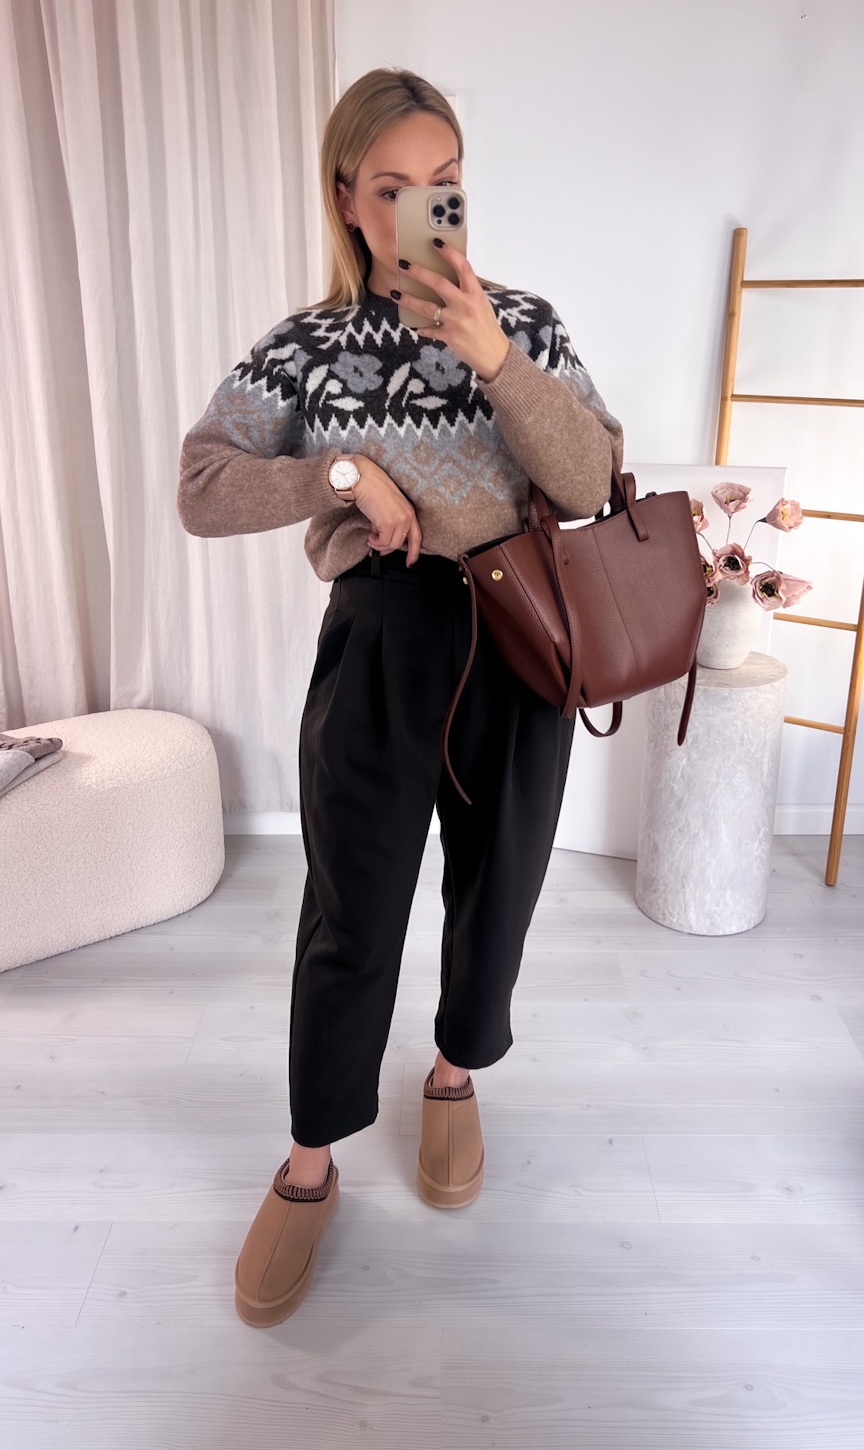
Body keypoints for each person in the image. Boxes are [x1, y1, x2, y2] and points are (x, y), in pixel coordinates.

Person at [176, 67, 624, 1326]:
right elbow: (202, 485)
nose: (424, 209)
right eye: (392, 188)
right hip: (382, 638)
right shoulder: (306, 347)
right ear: (347, 200)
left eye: (446, 185)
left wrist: (497, 362)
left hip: (524, 636)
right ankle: (310, 1156)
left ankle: (453, 1074)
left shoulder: (526, 324)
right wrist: (340, 474)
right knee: (351, 908)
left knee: (502, 883)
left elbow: (594, 480)